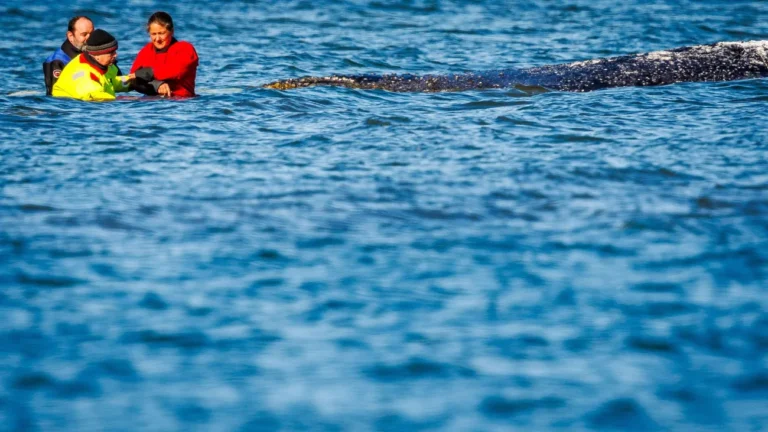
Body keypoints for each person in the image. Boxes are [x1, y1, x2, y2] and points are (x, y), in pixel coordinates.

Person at [52, 29, 134, 101]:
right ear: (97, 55)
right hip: (67, 110)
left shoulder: (102, 65)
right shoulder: (85, 75)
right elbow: (98, 97)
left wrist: (134, 81)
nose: (115, 55)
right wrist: (132, 100)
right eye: (111, 52)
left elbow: (112, 81)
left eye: (115, 51)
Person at [131, 11, 199, 98]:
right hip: (150, 104)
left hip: (181, 102)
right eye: (153, 34)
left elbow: (175, 71)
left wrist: (148, 73)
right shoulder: (146, 51)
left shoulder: (185, 49)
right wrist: (157, 84)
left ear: (172, 31)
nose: (157, 38)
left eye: (161, 33)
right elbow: (133, 78)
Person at [43, 16, 94, 95]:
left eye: (92, 34)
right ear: (70, 36)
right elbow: (56, 96)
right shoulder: (57, 61)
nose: (89, 38)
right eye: (84, 34)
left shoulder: (98, 55)